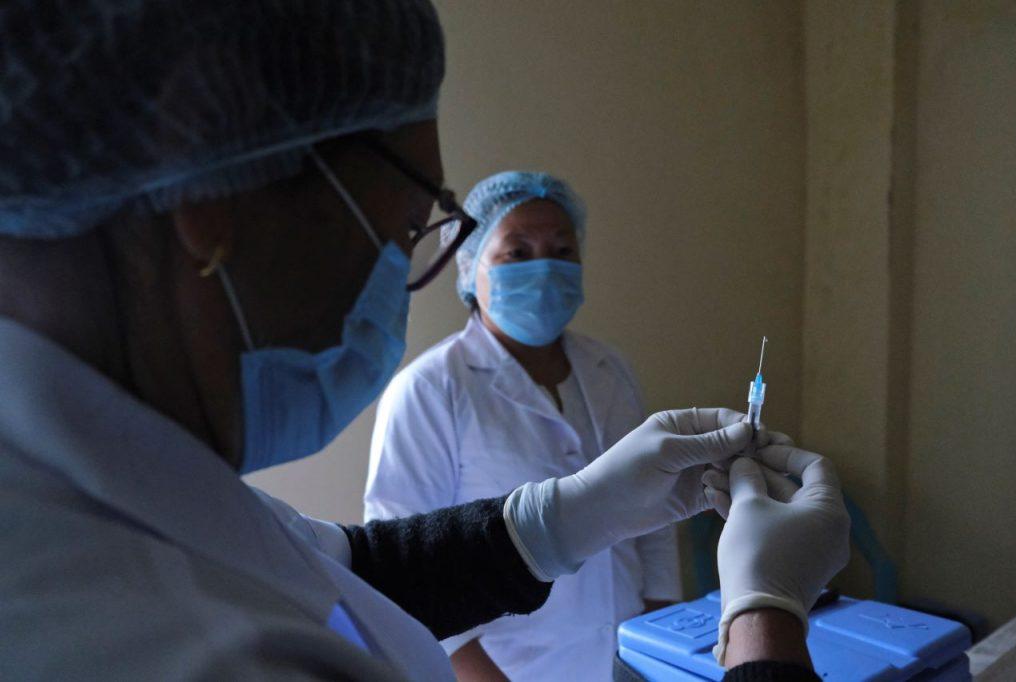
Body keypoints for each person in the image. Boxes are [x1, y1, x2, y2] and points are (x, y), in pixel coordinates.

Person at [0, 1, 849, 680]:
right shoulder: (168, 646)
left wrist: (578, 510)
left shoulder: (121, 484)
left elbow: (342, 570)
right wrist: (766, 618)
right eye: (409, 227)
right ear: (209, 192)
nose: (407, 271)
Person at [365, 170, 682, 681]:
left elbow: (655, 514)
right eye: (517, 253)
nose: (545, 269)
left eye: (562, 250)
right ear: (470, 267)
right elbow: (407, 575)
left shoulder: (610, 370)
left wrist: (662, 639)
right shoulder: (429, 389)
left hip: (629, 661)